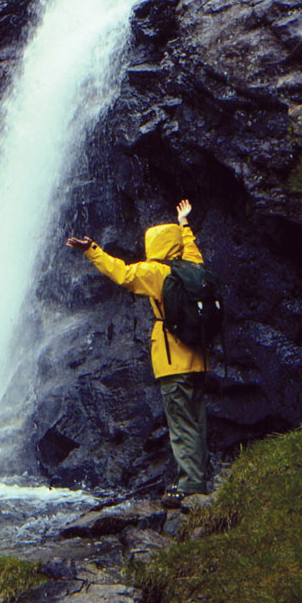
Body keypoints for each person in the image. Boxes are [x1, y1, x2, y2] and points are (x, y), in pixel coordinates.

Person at [66, 198, 209, 507]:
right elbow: (192, 247)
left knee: (180, 425)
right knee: (196, 420)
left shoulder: (154, 272)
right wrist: (184, 223)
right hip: (199, 359)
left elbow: (121, 273)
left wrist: (92, 249)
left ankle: (191, 485)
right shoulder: (194, 267)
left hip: (172, 360)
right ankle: (201, 476)